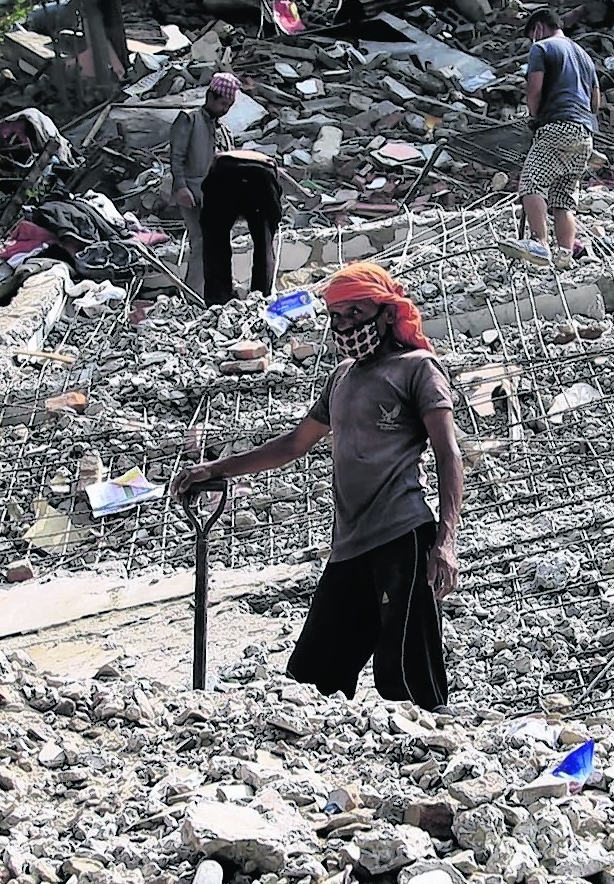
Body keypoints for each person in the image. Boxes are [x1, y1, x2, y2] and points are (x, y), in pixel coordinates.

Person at [172, 263, 463, 706]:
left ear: (387, 313)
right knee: (310, 678)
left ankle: (435, 754)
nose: (345, 327)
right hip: (349, 545)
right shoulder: (341, 379)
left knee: (406, 677)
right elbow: (293, 444)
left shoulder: (417, 369)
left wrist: (446, 540)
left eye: (355, 314)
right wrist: (215, 470)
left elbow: (448, 453)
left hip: (402, 537)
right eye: (337, 317)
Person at [171, 74, 280, 302]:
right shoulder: (189, 120)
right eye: (222, 104)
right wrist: (180, 186)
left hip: (216, 194)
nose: (224, 110)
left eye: (229, 106)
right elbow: (177, 156)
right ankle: (193, 296)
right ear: (210, 96)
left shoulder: (222, 128)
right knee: (200, 242)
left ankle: (216, 292)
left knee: (216, 243)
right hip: (192, 191)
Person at [515, 7, 598, 260]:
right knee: (563, 198)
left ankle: (540, 244)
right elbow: (595, 103)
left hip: (557, 126)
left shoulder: (541, 48)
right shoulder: (585, 56)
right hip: (584, 133)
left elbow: (534, 91)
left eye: (532, 34)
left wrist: (534, 116)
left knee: (531, 184)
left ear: (539, 28)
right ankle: (564, 255)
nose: (533, 40)